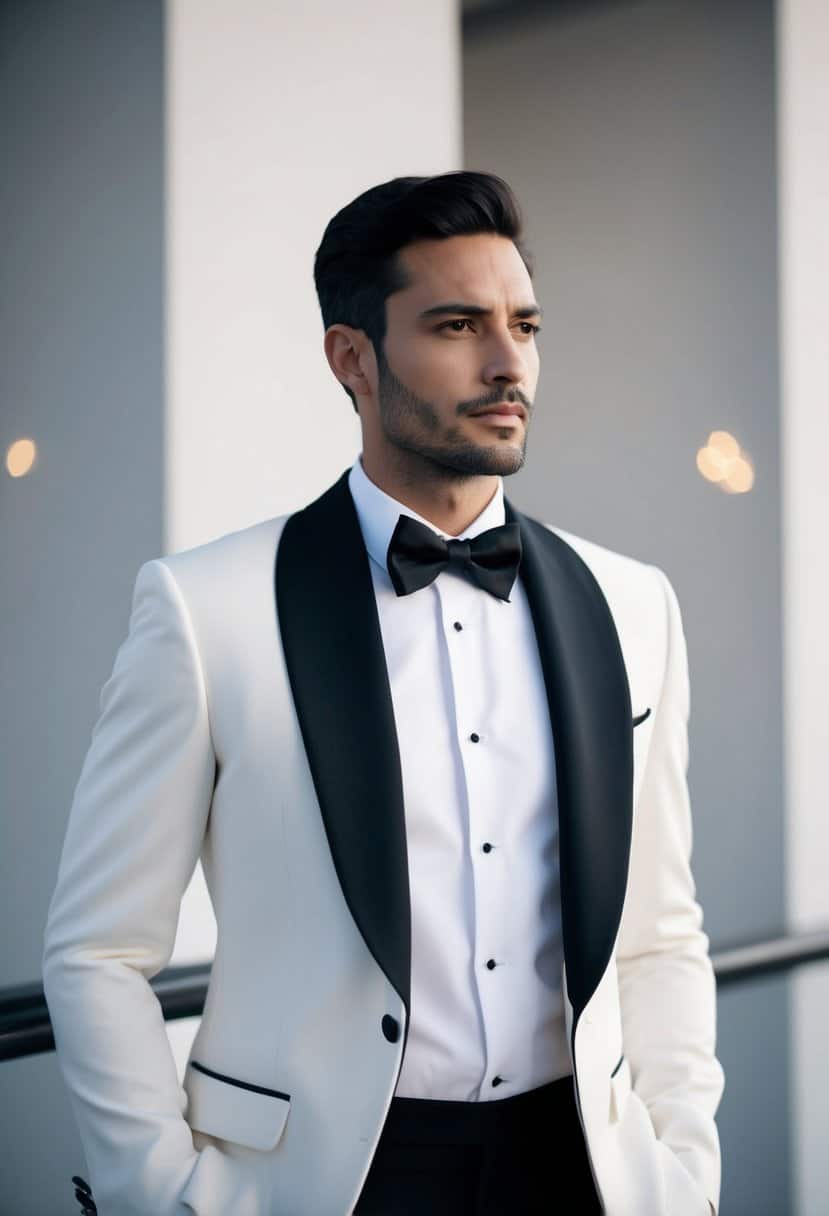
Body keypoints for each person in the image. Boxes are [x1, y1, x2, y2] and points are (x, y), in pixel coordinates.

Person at [43, 170, 724, 1216]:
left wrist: (682, 1172)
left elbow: (661, 931)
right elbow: (98, 951)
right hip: (327, 1179)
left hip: (584, 1166)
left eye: (524, 326)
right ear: (350, 358)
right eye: (457, 325)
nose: (508, 365)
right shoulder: (204, 608)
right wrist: (166, 1194)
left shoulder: (635, 604)